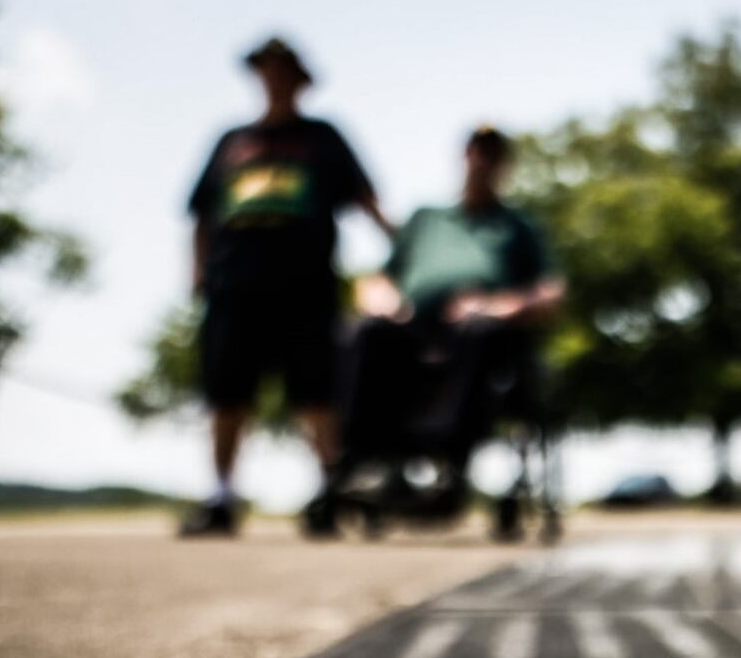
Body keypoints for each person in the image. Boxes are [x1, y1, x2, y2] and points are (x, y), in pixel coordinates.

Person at [179, 36, 394, 538]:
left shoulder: (322, 137)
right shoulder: (232, 142)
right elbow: (203, 213)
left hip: (305, 283)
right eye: (267, 69)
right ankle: (222, 497)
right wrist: (198, 271)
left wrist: (400, 251)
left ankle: (331, 491)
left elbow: (365, 198)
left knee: (316, 391)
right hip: (236, 283)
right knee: (228, 393)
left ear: (300, 79)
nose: (274, 78)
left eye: (284, 69)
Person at [344, 126, 564, 519]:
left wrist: (496, 306)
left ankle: (449, 464)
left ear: (504, 166)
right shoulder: (426, 218)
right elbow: (380, 278)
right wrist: (381, 300)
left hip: (479, 338)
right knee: (367, 332)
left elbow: (548, 292)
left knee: (477, 332)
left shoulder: (518, 226)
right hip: (411, 334)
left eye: (492, 155)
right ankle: (372, 463)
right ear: (463, 157)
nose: (482, 162)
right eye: (476, 152)